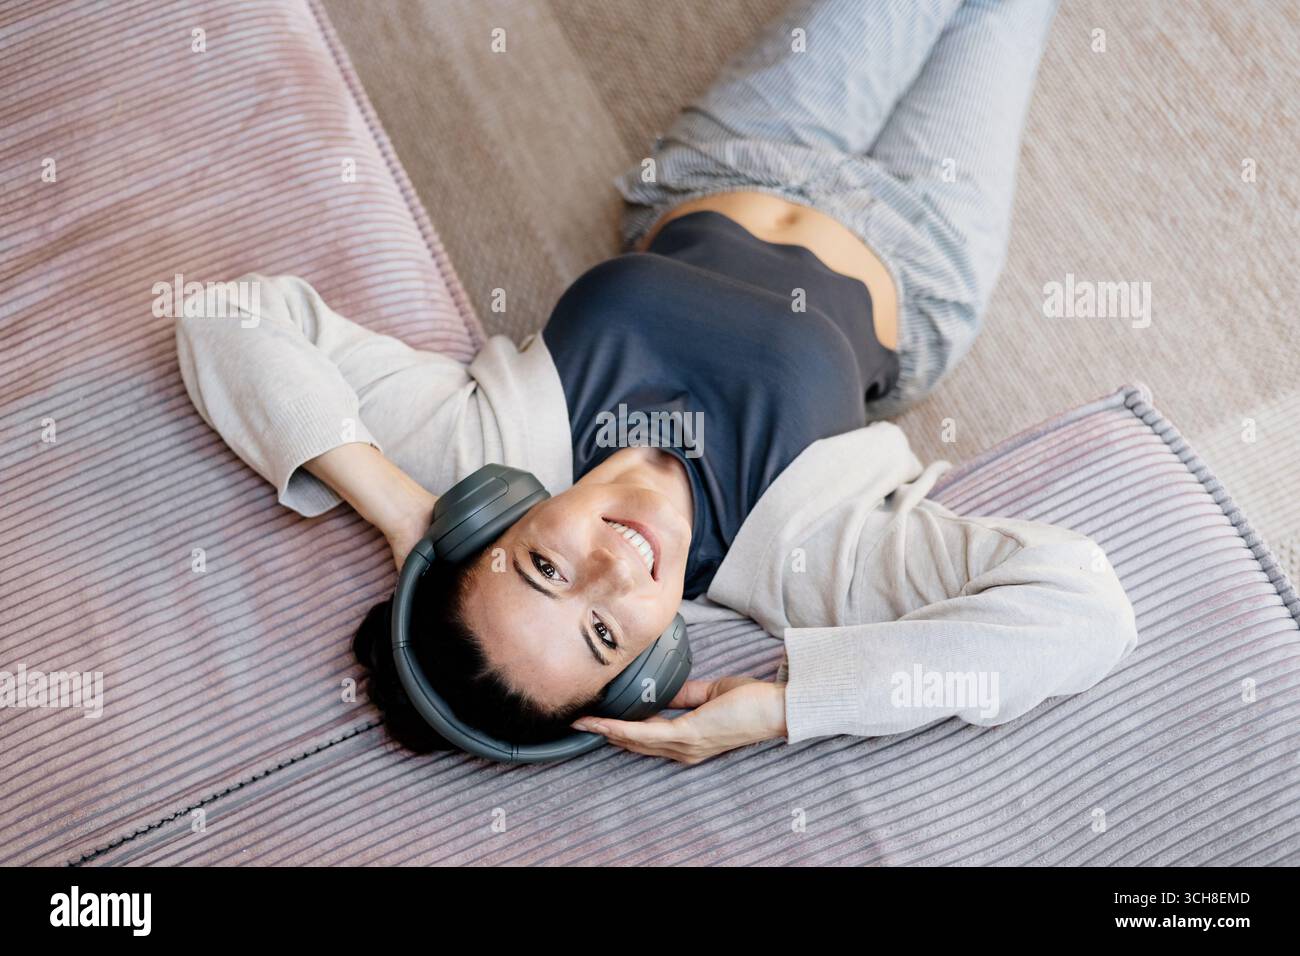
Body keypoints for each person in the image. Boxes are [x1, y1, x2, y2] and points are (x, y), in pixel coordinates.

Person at [175, 0, 1138, 764]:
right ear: (650, 665)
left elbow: (225, 317)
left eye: (542, 568)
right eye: (602, 633)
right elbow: (1082, 604)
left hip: (727, 163)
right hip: (919, 251)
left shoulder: (481, 455)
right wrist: (795, 706)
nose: (614, 569)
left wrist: (399, 511)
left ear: (488, 523)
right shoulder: (805, 560)